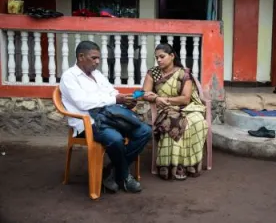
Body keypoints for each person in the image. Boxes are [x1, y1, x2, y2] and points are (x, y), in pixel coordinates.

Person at [60, 41, 152, 193]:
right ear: (81, 56)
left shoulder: (97, 74)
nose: (97, 62)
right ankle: (124, 177)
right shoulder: (69, 77)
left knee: (144, 131)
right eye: (94, 58)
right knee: (115, 139)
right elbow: (83, 103)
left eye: (98, 58)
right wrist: (116, 99)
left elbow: (111, 92)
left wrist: (124, 99)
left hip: (109, 117)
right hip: (89, 122)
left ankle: (112, 171)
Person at [142, 43, 208, 180]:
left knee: (198, 122)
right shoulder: (152, 73)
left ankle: (189, 164)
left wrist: (162, 98)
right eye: (156, 58)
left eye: (162, 56)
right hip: (164, 109)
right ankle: (171, 166)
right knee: (174, 121)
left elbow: (185, 99)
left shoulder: (183, 73)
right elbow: (144, 93)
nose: (159, 60)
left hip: (187, 107)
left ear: (172, 56)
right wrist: (155, 98)